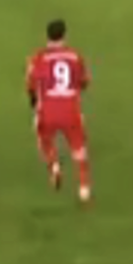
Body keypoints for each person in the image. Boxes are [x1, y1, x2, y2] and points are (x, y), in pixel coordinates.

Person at [27, 18, 92, 203]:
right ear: (65, 35)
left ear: (47, 36)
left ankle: (54, 165)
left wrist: (33, 100)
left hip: (48, 111)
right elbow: (84, 82)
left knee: (44, 139)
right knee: (79, 149)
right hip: (71, 110)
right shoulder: (75, 56)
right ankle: (84, 190)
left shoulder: (39, 57)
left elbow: (31, 83)